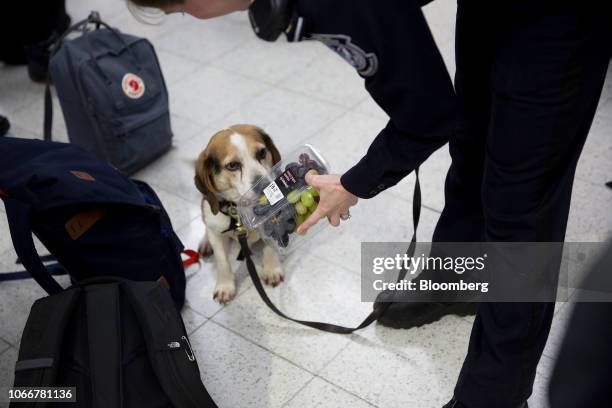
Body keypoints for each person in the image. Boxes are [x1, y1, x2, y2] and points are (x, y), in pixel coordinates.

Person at [128, 1, 612, 407]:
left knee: (521, 207)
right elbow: (439, 109)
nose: (191, 17)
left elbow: (426, 115)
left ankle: (493, 396)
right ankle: (459, 279)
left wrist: (354, 183)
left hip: (557, 16)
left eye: (183, 7)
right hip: (492, 8)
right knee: (475, 143)